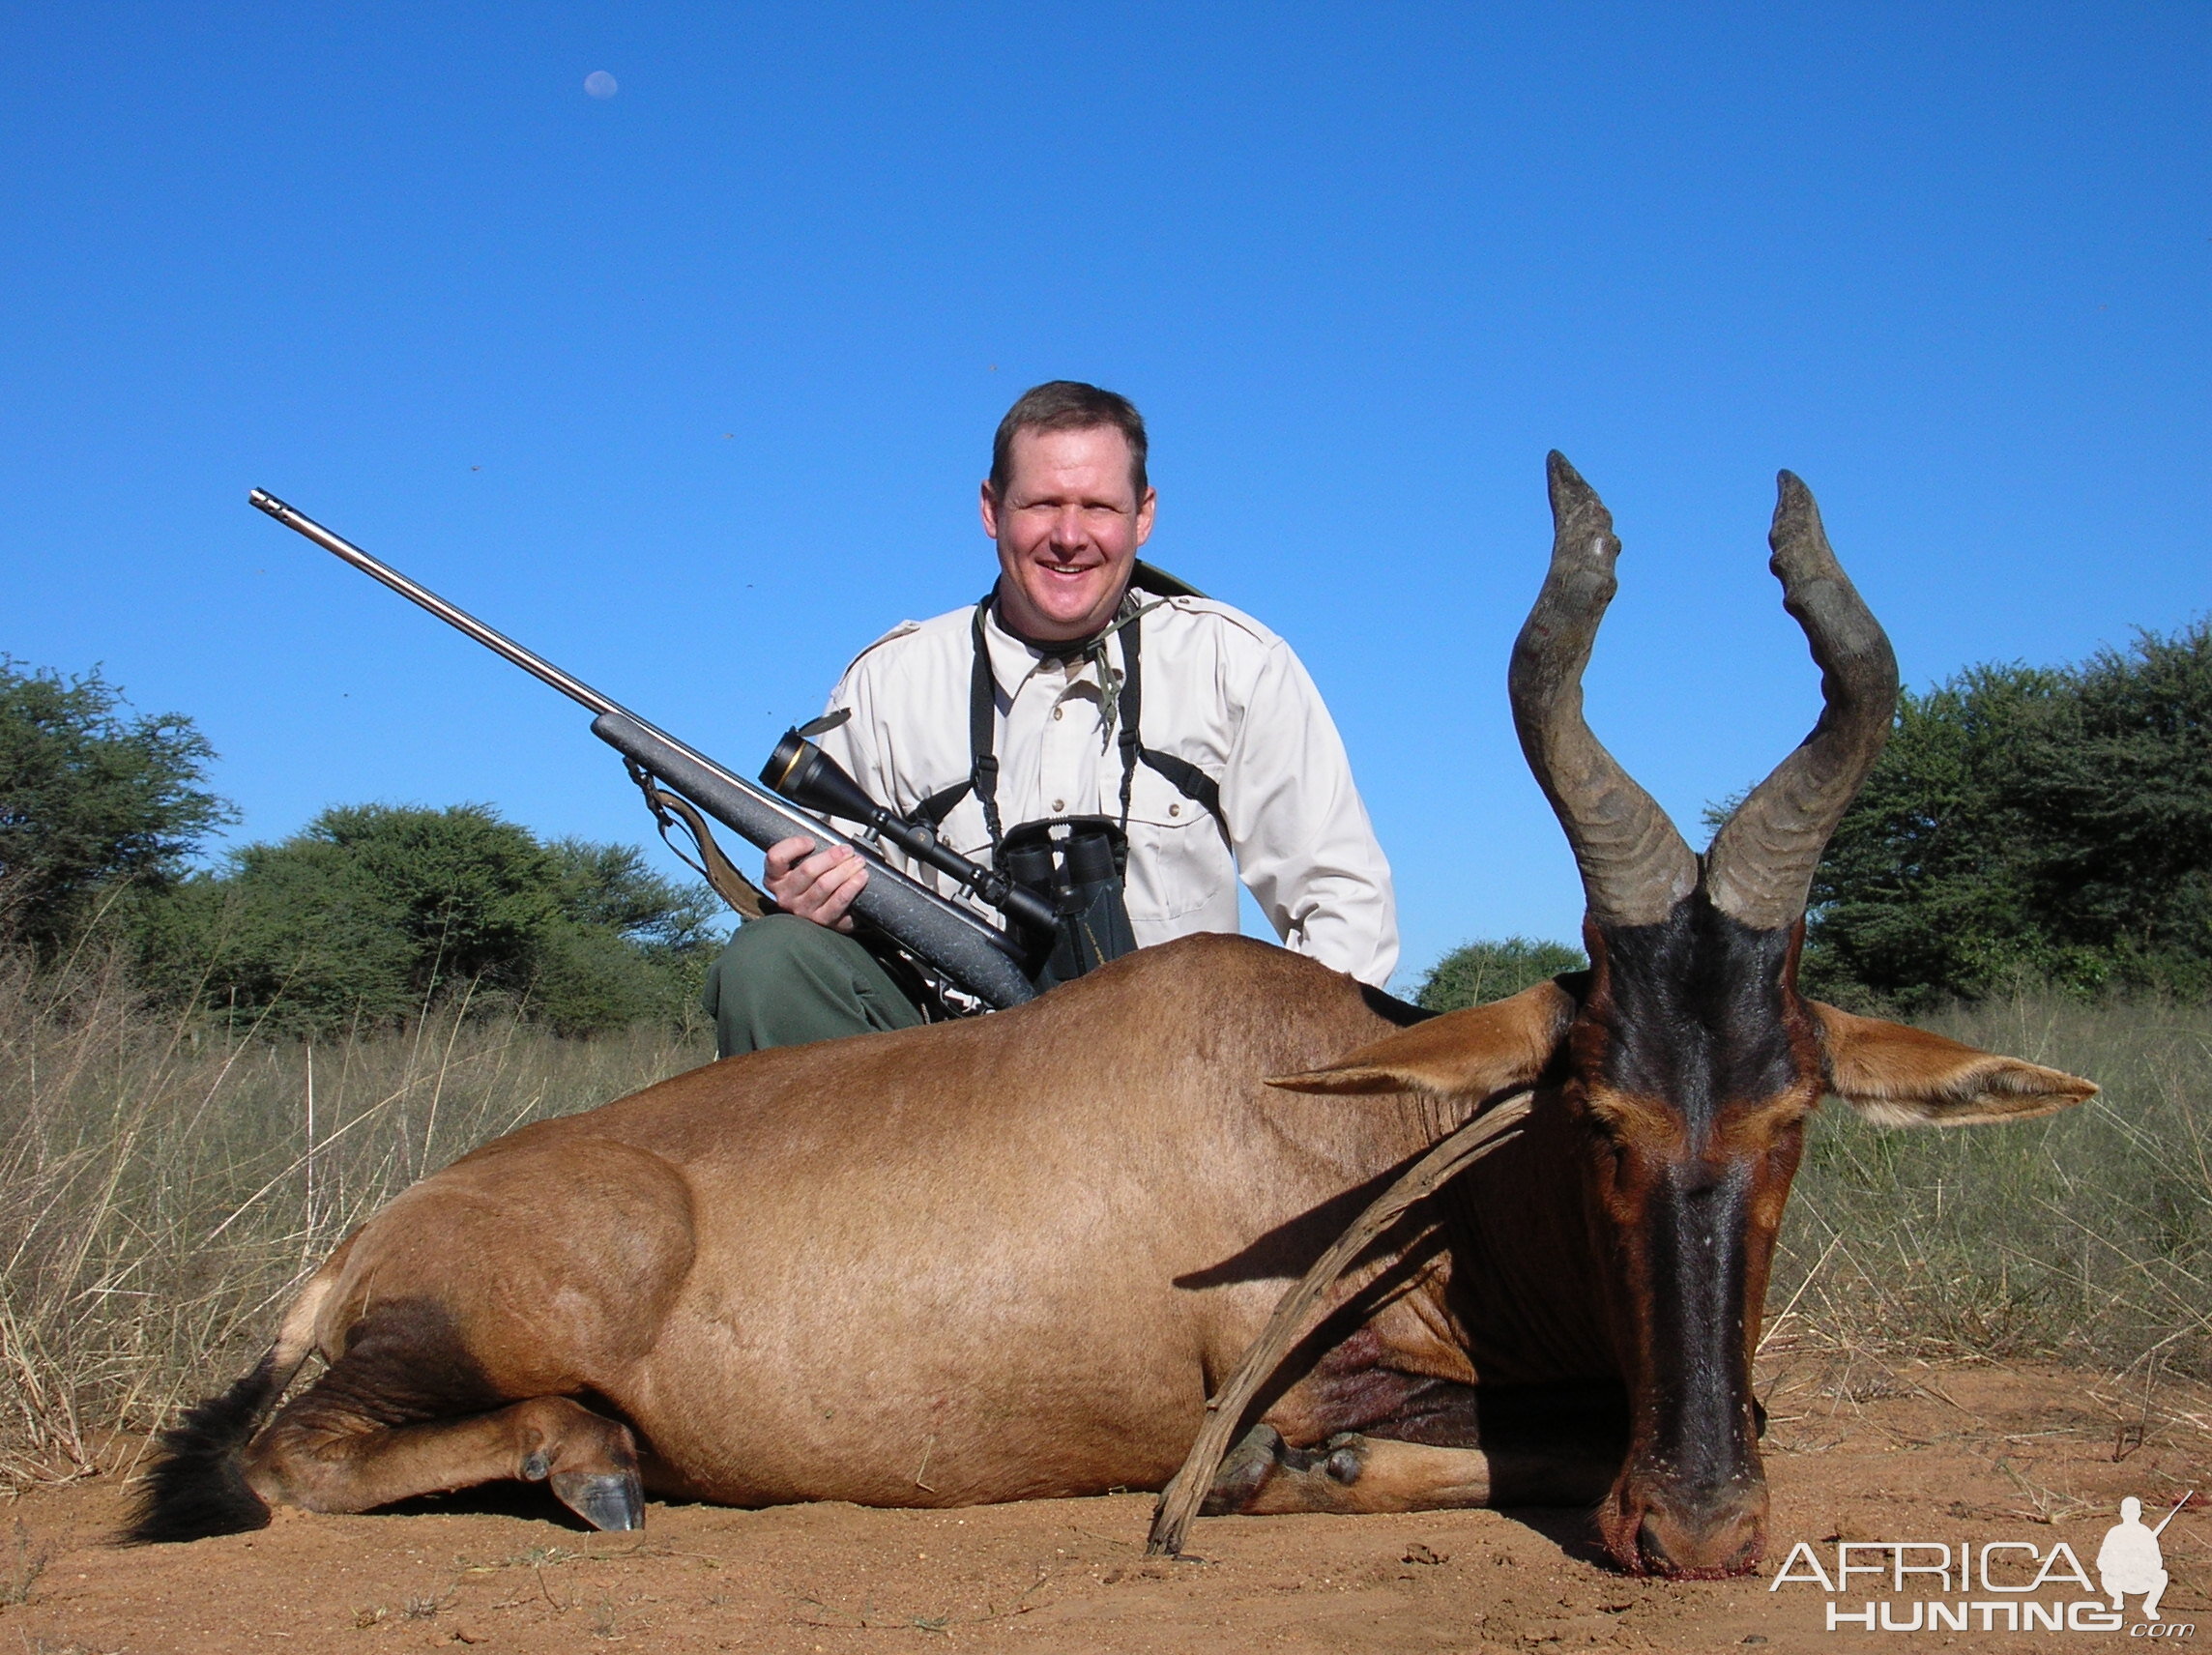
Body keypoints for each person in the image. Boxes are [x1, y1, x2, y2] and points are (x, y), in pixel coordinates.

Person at [702, 381, 1398, 1056]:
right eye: (1041, 504)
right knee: (771, 959)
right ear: (991, 508)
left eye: (1098, 506)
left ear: (1143, 515)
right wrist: (822, 903)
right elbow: (843, 895)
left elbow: (1345, 905)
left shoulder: (1234, 661)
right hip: (960, 1073)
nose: (1069, 536)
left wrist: (1264, 1066)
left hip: (1181, 1075)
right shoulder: (889, 682)